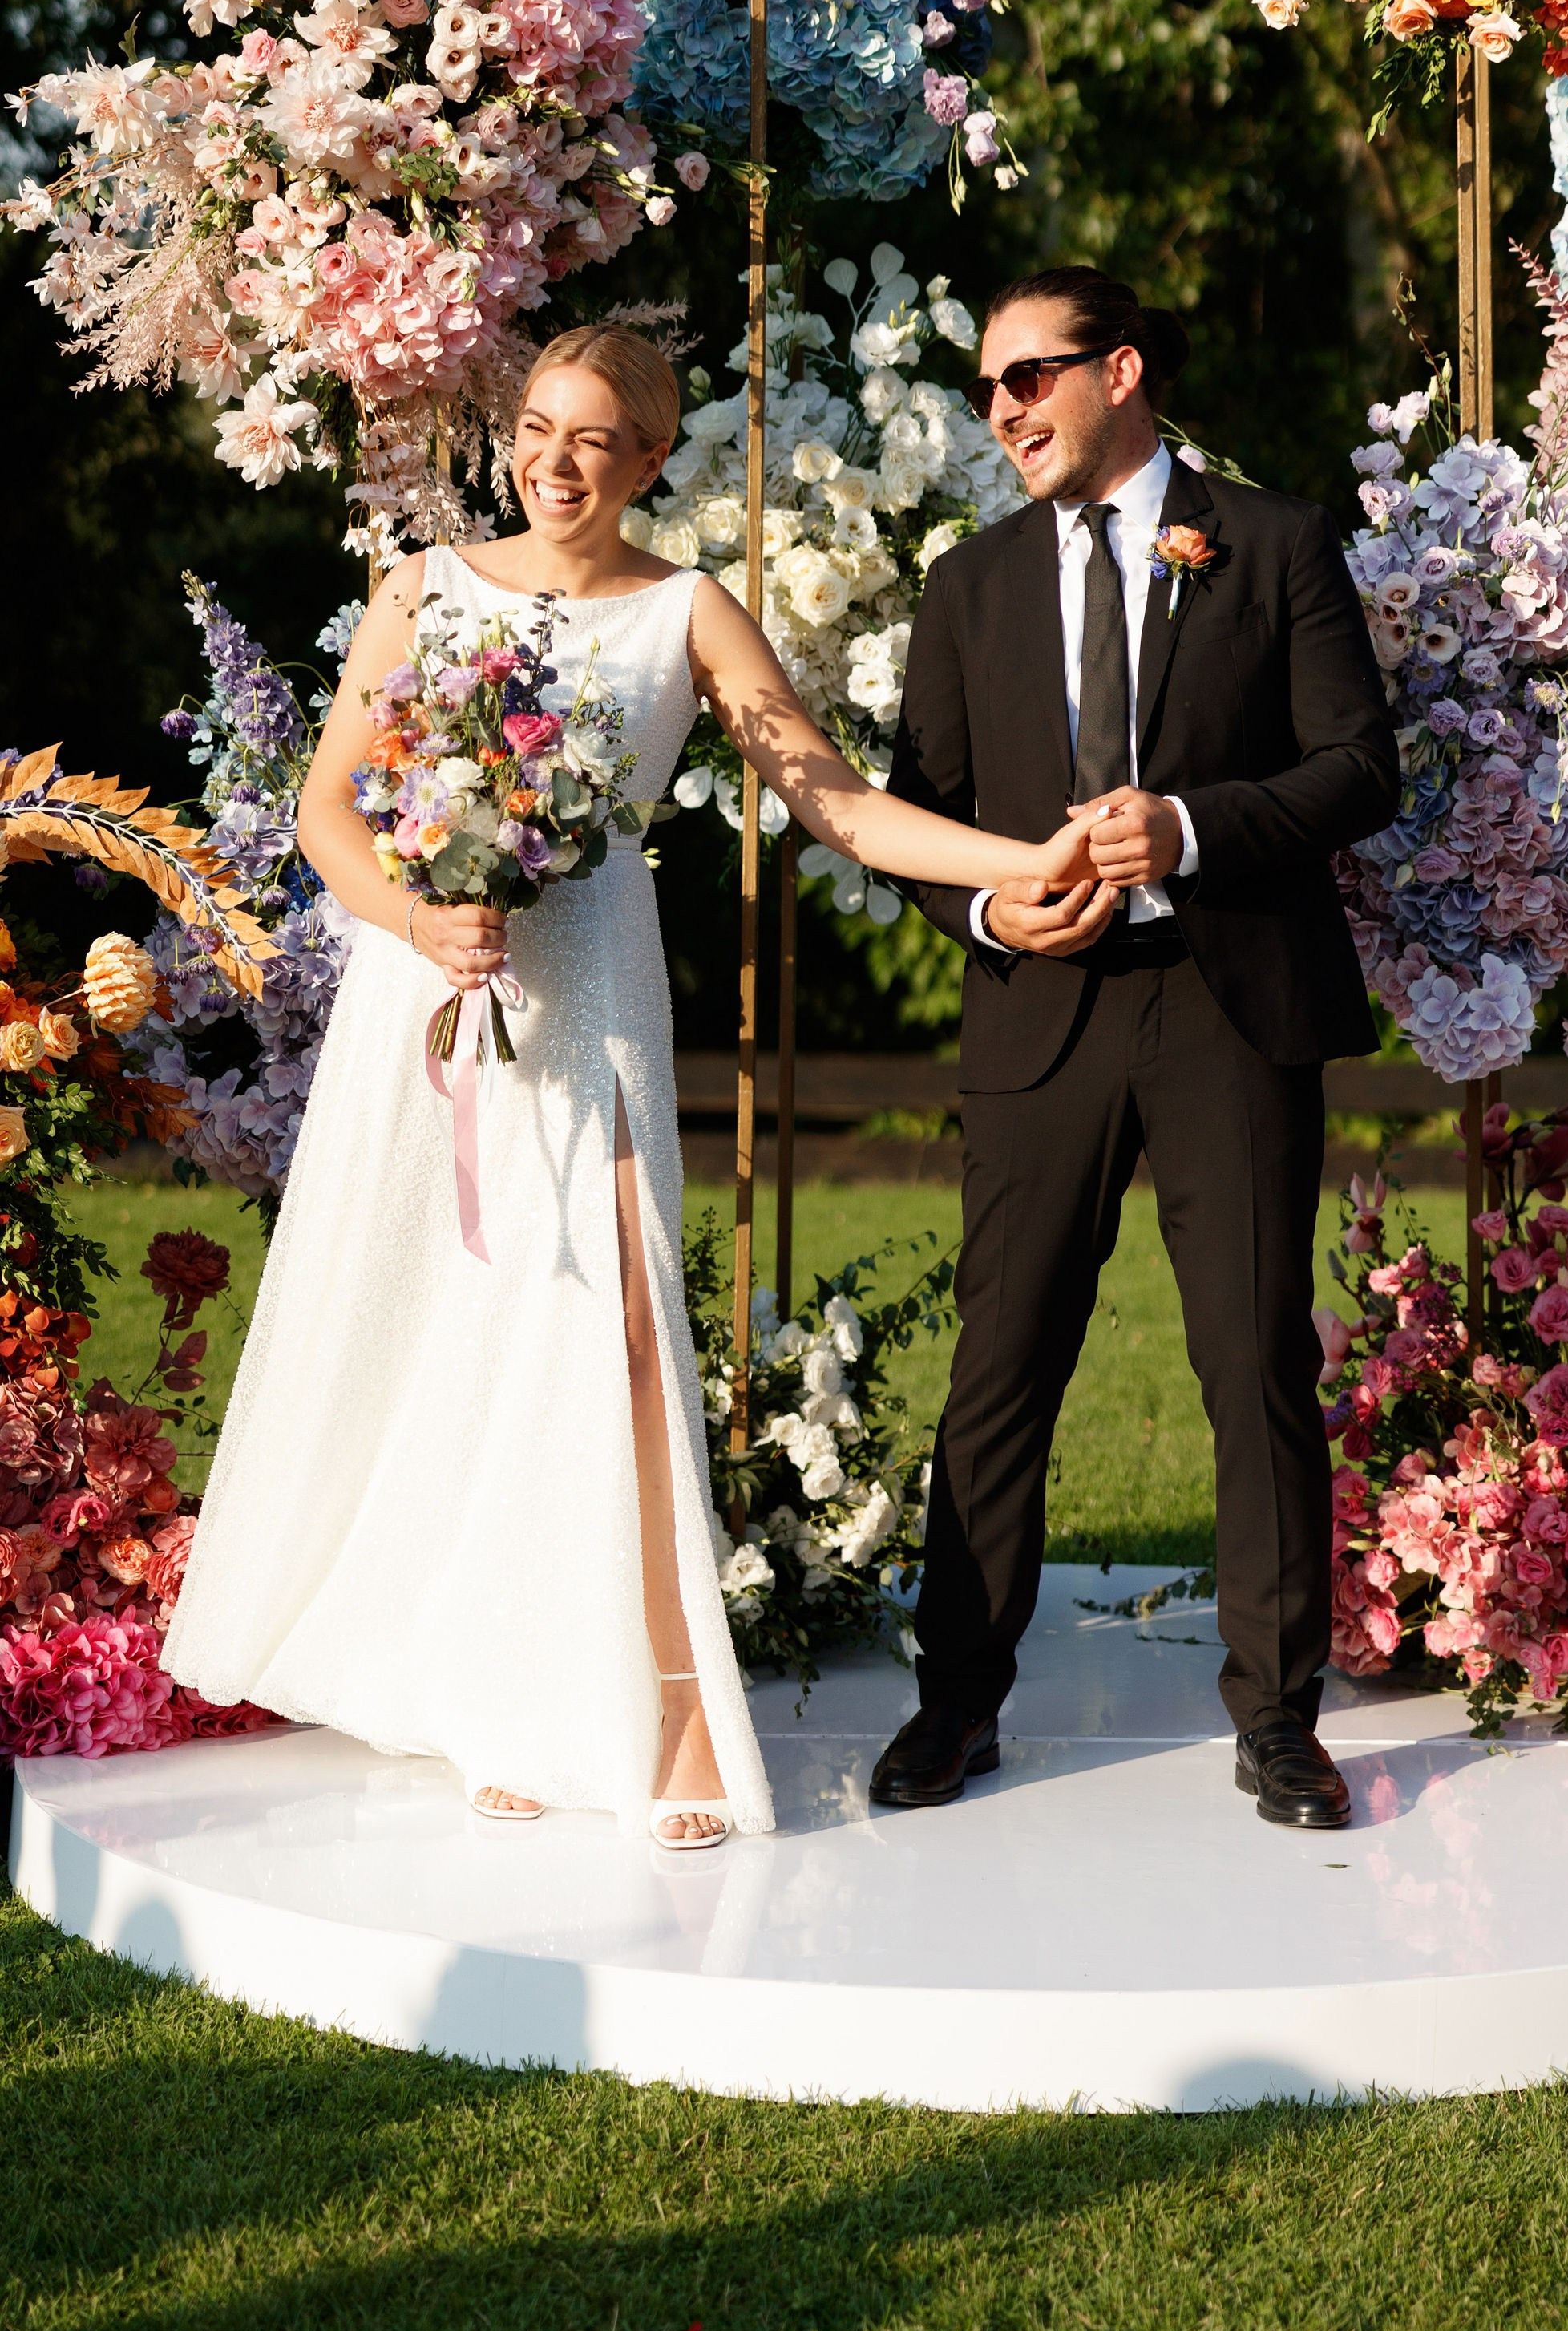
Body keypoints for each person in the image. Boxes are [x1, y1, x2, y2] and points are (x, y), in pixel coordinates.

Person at [162, 325, 1097, 1846]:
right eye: (538, 428)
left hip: (595, 994)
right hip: (435, 987)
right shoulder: (420, 589)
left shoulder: (690, 612)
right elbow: (328, 811)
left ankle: (662, 1709)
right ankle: (494, 1697)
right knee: (465, 1321)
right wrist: (416, 918)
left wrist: (1025, 859)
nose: (556, 461)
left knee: (621, 1327)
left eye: (595, 439)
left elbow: (841, 806)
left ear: (651, 459)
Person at [871, 267, 1400, 1831]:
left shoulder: (1274, 543)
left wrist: (1189, 826)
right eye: (985, 388)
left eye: (1026, 375)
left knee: (1254, 1362)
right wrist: (991, 914)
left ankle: (1279, 1720)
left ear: (1120, 371)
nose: (1002, 410)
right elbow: (913, 822)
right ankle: (956, 1704)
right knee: (1002, 1366)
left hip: (1231, 1007)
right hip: (1041, 1017)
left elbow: (1360, 768)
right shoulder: (968, 586)